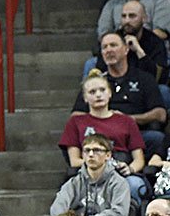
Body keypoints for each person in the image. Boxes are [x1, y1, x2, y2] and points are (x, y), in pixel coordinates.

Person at [60, 70, 148, 201]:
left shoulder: (126, 121)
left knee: (135, 185)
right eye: (92, 92)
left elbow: (139, 160)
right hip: (89, 173)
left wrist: (129, 168)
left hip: (120, 171)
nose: (98, 95)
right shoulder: (76, 122)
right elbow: (74, 161)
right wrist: (101, 165)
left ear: (110, 93)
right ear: (84, 98)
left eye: (102, 90)